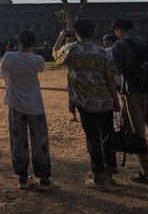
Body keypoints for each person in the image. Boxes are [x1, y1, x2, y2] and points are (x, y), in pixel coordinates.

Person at [53, 19, 120, 190]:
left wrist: (61, 38)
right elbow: (110, 77)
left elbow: (55, 56)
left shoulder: (71, 49)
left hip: (85, 102)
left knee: (93, 139)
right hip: (105, 100)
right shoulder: (101, 51)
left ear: (76, 32)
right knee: (107, 137)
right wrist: (116, 100)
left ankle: (98, 177)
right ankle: (110, 174)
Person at [111, 18, 148, 185]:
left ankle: (146, 174)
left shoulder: (119, 46)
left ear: (118, 30)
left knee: (139, 133)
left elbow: (117, 69)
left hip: (133, 92)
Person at [0, 29, 54, 191]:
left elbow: (2, 74)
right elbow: (36, 62)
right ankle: (44, 178)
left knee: (18, 141)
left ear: (19, 42)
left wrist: (12, 51)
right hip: (35, 105)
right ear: (33, 43)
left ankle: (22, 178)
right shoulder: (38, 59)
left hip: (16, 105)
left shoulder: (9, 57)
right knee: (40, 141)